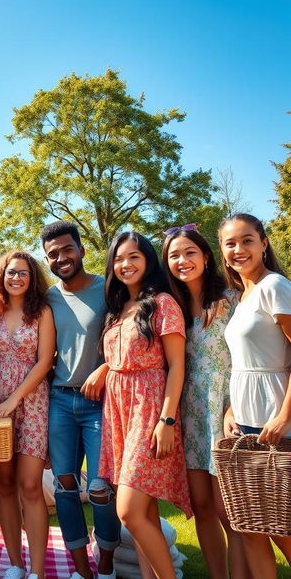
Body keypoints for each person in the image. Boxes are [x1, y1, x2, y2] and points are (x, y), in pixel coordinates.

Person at [99, 231, 191, 579]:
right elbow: (118, 357)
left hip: (150, 409)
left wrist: (166, 420)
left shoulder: (162, 302)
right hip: (118, 411)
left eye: (134, 257)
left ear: (148, 261)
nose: (126, 264)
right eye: (119, 258)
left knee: (129, 512)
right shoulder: (117, 307)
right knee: (145, 515)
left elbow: (176, 365)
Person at [163, 225, 248, 579]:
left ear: (206, 255)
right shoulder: (173, 307)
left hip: (226, 409)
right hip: (189, 414)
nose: (182, 261)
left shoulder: (232, 298)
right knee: (201, 507)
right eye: (174, 255)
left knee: (230, 512)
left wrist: (234, 405)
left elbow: (249, 356)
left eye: (189, 252)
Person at [40, 221, 120, 579]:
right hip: (59, 400)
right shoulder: (48, 298)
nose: (61, 258)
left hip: (99, 403)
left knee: (101, 488)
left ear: (82, 249)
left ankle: (105, 565)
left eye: (66, 249)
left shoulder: (109, 290)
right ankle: (80, 570)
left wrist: (105, 368)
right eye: (52, 254)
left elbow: (129, 338)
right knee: (65, 486)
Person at [219, 213, 291, 577]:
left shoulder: (275, 285)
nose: (238, 249)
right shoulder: (243, 295)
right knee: (251, 527)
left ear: (264, 243)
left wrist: (283, 416)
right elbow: (247, 359)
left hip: (275, 421)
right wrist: (231, 407)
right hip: (245, 422)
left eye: (247, 240)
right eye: (230, 243)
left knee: (285, 530)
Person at [0, 251, 55, 579]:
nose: (16, 278)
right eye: (11, 272)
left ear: (33, 278)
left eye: (23, 273)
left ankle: (37, 571)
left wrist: (15, 398)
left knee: (30, 485)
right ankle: (15, 564)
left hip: (31, 402)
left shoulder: (41, 311)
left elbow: (45, 361)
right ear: (2, 276)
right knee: (5, 485)